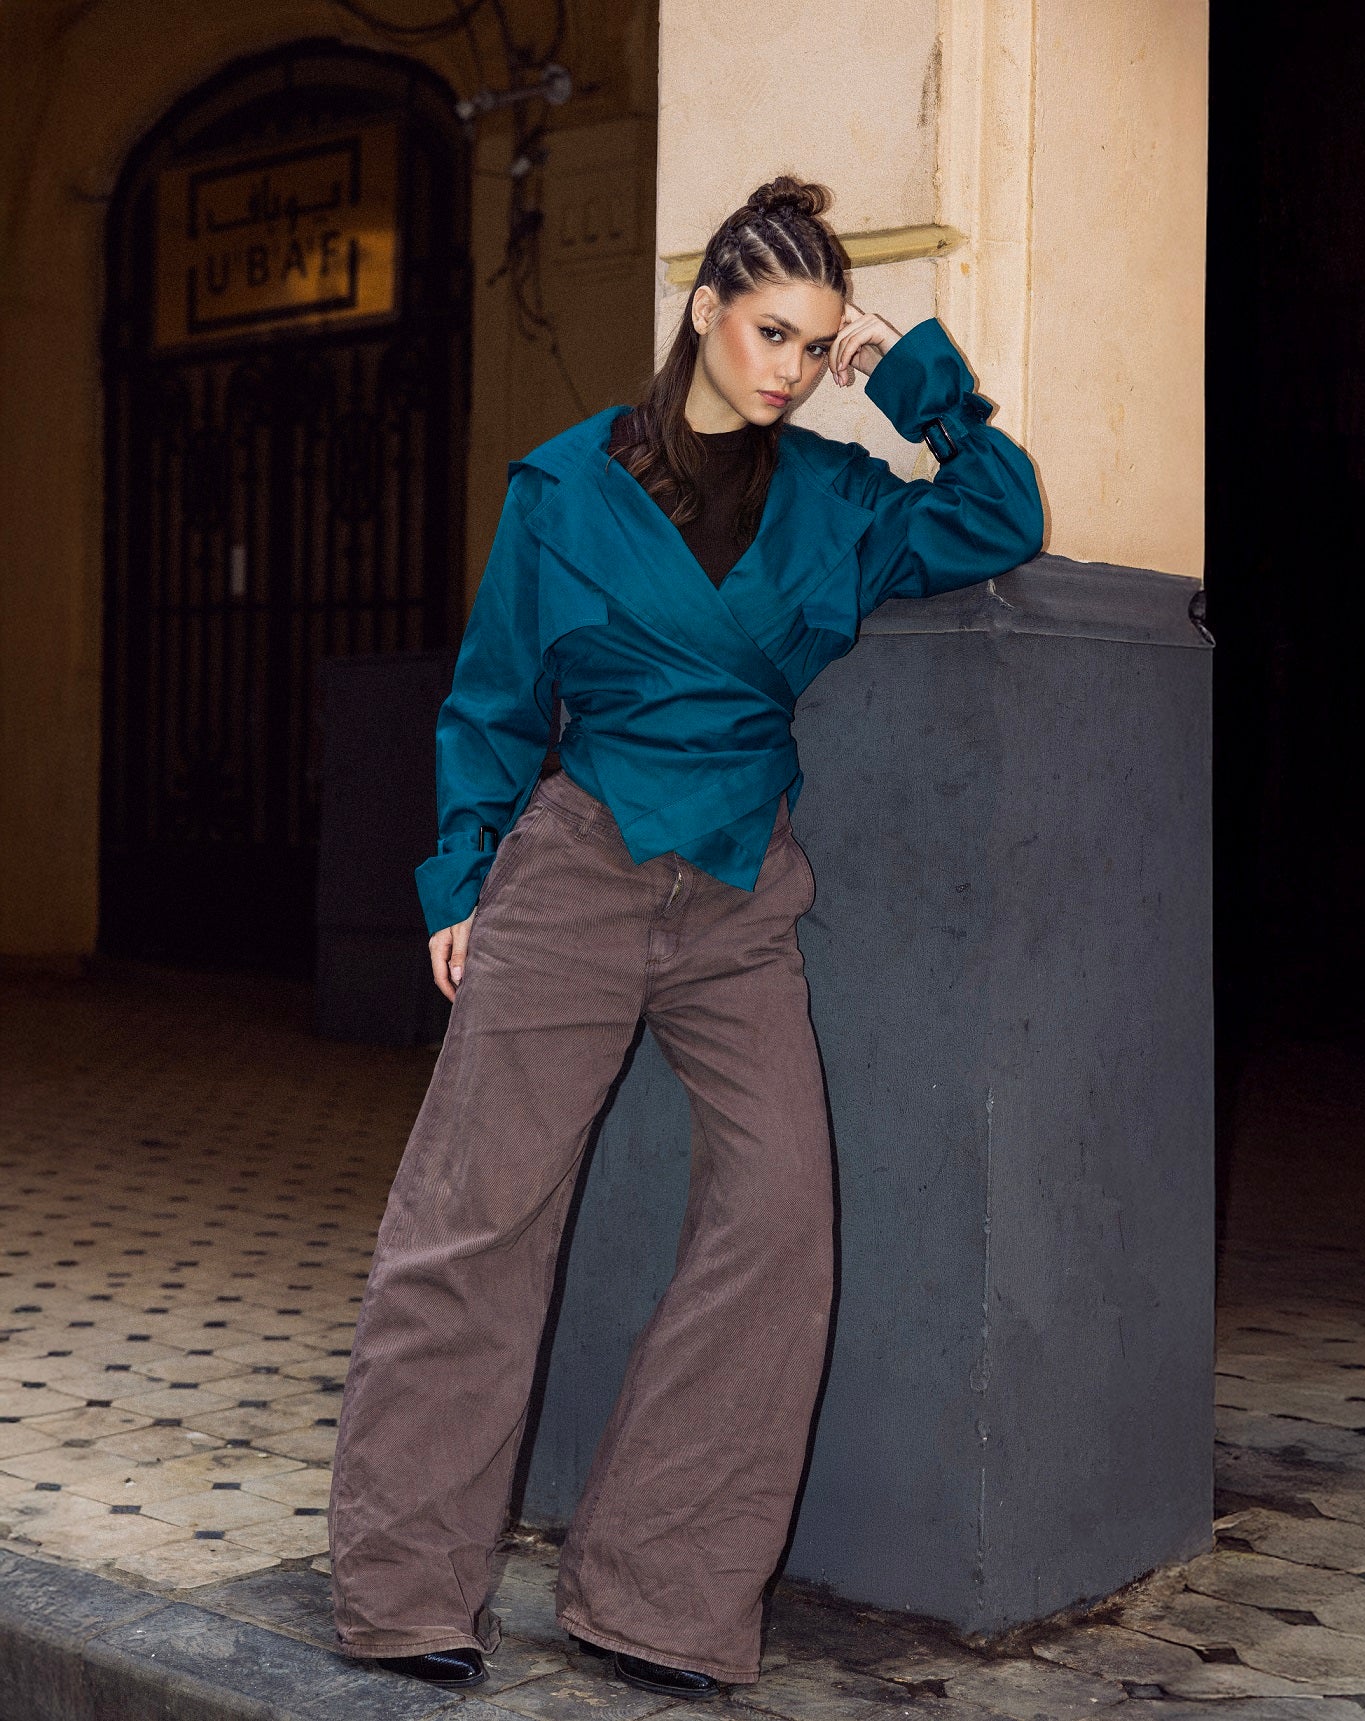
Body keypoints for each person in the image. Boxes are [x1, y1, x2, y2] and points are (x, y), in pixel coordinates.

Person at [326, 175, 1043, 1701]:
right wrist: (459, 876)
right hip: (576, 869)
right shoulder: (563, 488)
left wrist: (904, 370)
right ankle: (402, 1591)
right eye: (769, 328)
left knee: (781, 1218)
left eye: (814, 343)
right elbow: (496, 695)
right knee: (475, 1221)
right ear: (706, 306)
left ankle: (653, 1594)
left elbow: (999, 511)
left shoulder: (840, 500)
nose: (786, 366)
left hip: (736, 889)